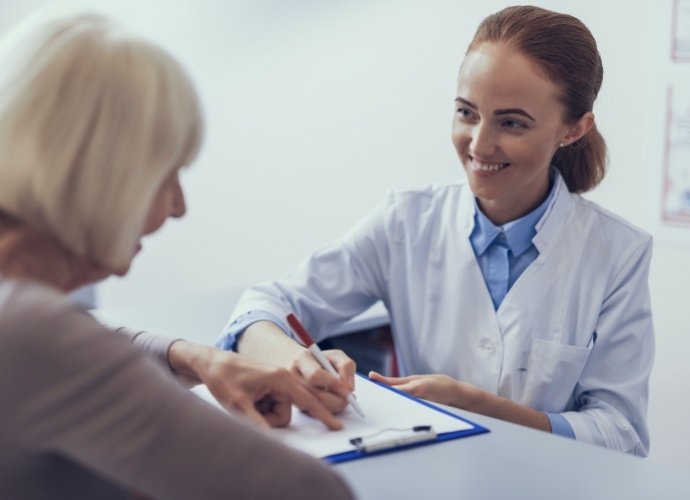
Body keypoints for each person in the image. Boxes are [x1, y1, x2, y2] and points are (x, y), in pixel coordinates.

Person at [219, 5, 655, 457]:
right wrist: (299, 364)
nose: (480, 144)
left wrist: (475, 405)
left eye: (512, 123)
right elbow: (263, 306)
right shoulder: (406, 222)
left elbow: (622, 433)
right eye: (467, 113)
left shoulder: (617, 253)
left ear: (573, 129)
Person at [0, 11, 354, 499]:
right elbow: (313, 493)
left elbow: (80, 336)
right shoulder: (33, 335)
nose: (179, 207)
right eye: (166, 174)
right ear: (101, 174)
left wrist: (195, 358)